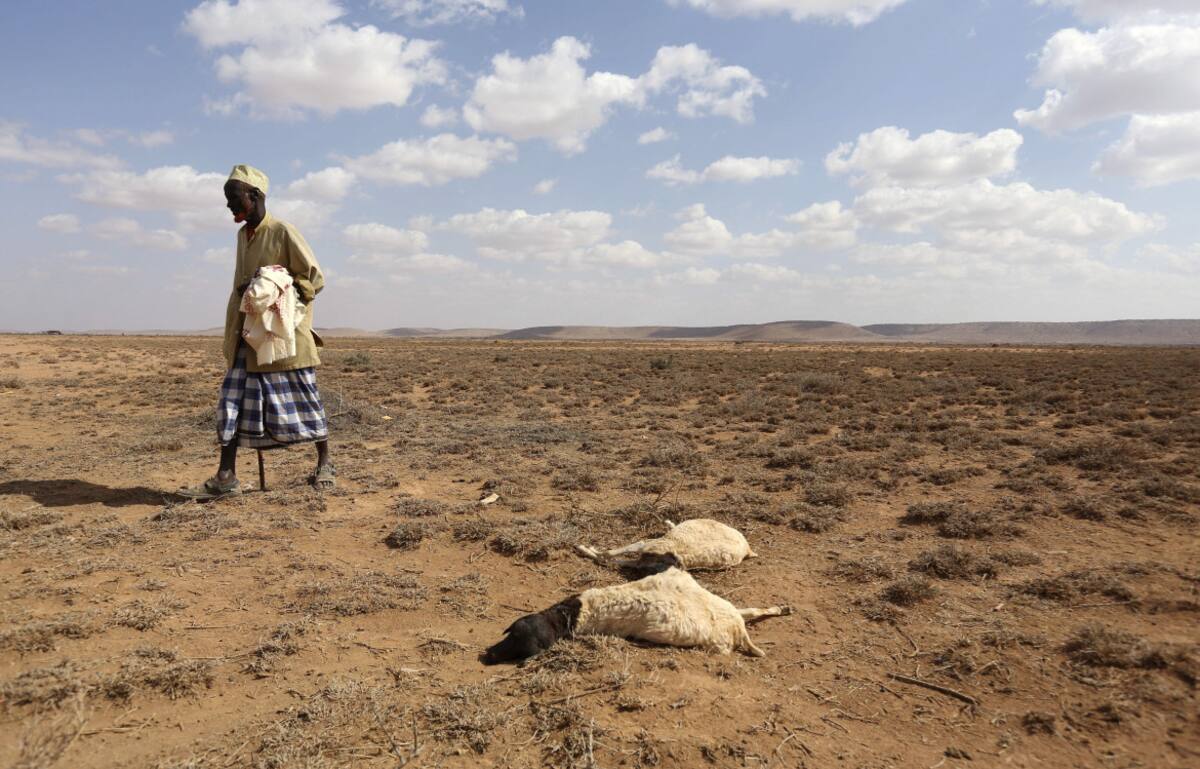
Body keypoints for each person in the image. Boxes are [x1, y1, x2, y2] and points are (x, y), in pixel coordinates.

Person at [180, 164, 335, 499]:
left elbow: (314, 278)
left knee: (305, 397)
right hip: (246, 334)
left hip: (282, 336)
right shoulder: (241, 235)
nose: (228, 206)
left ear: (255, 195)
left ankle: (325, 463)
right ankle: (226, 477)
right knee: (231, 402)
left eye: (233, 198)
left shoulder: (282, 230)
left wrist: (279, 290)